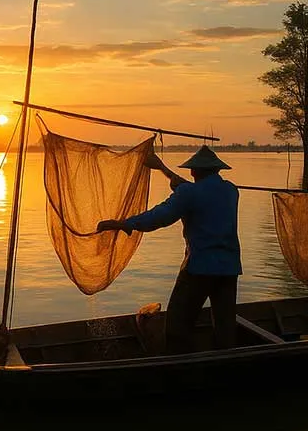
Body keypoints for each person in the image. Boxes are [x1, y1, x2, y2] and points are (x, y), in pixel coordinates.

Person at [97, 146, 241, 353]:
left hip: (199, 268)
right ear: (218, 170)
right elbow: (185, 189)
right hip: (229, 269)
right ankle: (227, 362)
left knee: (177, 326)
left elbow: (159, 216)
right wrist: (161, 168)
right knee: (225, 326)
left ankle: (178, 365)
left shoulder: (190, 193)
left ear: (193, 171)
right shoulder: (231, 190)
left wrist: (123, 223)